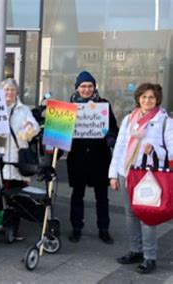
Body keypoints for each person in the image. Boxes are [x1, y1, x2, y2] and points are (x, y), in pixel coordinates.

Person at [109, 83, 172, 274]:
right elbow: (119, 147)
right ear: (138, 98)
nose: (147, 100)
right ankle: (135, 250)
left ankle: (149, 257)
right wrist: (113, 174)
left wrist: (154, 150)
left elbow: (170, 152)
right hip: (127, 172)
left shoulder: (165, 121)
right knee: (130, 214)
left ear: (157, 100)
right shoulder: (129, 119)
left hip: (148, 175)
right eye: (144, 97)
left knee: (147, 216)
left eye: (151, 97)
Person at [67, 71, 119, 244]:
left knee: (102, 196)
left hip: (100, 158)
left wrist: (110, 137)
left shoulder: (103, 105)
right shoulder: (69, 106)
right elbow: (61, 132)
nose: (86, 89)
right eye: (83, 86)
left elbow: (113, 127)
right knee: (77, 195)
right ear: (77, 88)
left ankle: (103, 228)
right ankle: (76, 227)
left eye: (90, 86)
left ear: (95, 87)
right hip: (78, 157)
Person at [0, 78, 40, 214]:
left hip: (16, 158)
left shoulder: (24, 110)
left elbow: (35, 127)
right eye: (6, 90)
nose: (9, 92)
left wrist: (30, 128)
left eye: (12, 89)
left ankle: (13, 227)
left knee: (15, 195)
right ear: (1, 92)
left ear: (17, 92)